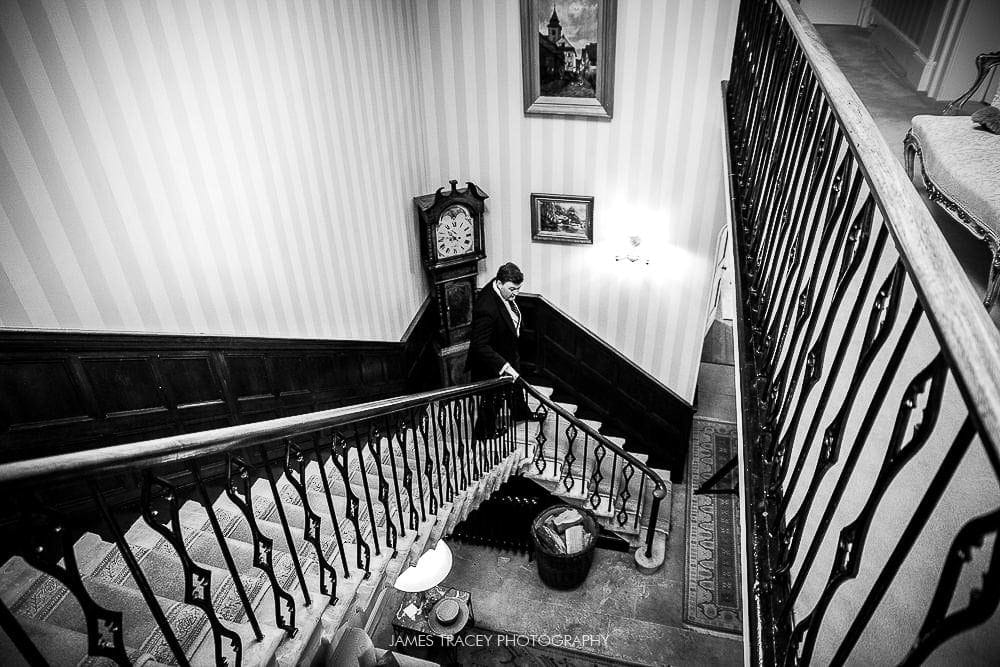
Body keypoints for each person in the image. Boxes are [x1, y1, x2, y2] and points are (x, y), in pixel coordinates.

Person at [467, 262, 531, 437]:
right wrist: (504, 366)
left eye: (518, 288)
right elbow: (480, 345)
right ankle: (484, 431)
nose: (516, 293)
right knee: (492, 398)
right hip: (492, 361)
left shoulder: (501, 290)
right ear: (500, 283)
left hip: (507, 349)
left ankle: (520, 412)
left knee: (515, 386)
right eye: (512, 289)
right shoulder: (486, 308)